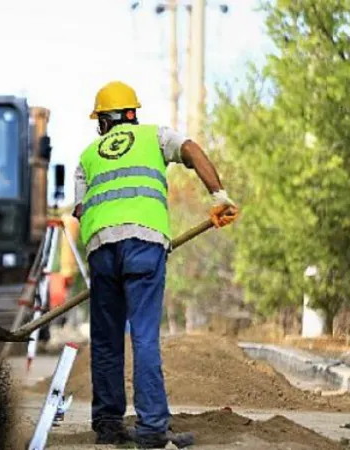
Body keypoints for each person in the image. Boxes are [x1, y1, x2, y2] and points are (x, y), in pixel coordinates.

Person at [72, 81, 239, 448]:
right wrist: (219, 196)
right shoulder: (155, 136)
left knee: (105, 340)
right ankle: (150, 428)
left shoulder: (86, 157)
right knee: (144, 336)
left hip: (101, 247)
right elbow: (192, 150)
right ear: (132, 113)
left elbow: (82, 211)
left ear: (104, 122)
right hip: (145, 244)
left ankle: (109, 425)